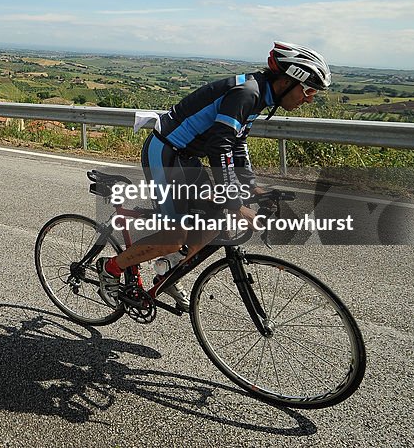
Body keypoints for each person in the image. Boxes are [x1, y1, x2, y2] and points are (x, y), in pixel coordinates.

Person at [99, 41, 332, 311]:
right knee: (174, 235)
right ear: (290, 80)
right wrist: (236, 204)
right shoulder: (247, 93)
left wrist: (252, 186)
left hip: (187, 158)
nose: (310, 98)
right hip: (165, 153)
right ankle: (111, 268)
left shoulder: (259, 95)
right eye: (309, 90)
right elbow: (219, 147)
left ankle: (167, 272)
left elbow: (237, 144)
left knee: (212, 223)